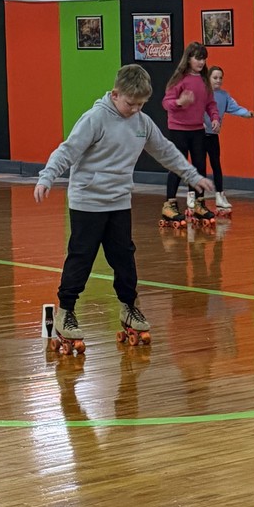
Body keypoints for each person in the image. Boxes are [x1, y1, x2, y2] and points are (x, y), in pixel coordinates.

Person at [35, 64, 214, 350]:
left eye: (141, 104)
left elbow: (166, 151)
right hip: (88, 201)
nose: (135, 109)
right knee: (81, 256)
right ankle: (66, 311)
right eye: (131, 103)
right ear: (116, 94)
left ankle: (129, 307)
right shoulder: (95, 119)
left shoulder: (141, 122)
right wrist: (47, 177)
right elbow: (67, 150)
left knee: (124, 256)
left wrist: (192, 176)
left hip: (118, 201)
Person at [162, 42, 219, 224]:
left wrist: (215, 118)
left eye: (203, 59)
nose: (201, 62)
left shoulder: (204, 81)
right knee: (178, 167)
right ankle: (169, 204)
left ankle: (196, 204)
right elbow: (166, 102)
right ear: (189, 59)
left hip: (197, 129)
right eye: (197, 58)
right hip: (178, 129)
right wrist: (179, 102)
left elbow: (210, 103)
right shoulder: (179, 79)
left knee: (199, 167)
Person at [203, 65, 254, 213]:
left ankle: (219, 195)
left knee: (216, 165)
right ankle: (194, 197)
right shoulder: (203, 93)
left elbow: (234, 107)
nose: (218, 80)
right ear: (208, 78)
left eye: (220, 78)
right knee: (198, 167)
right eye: (215, 78)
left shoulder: (224, 95)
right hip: (199, 134)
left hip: (213, 135)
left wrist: (247, 113)